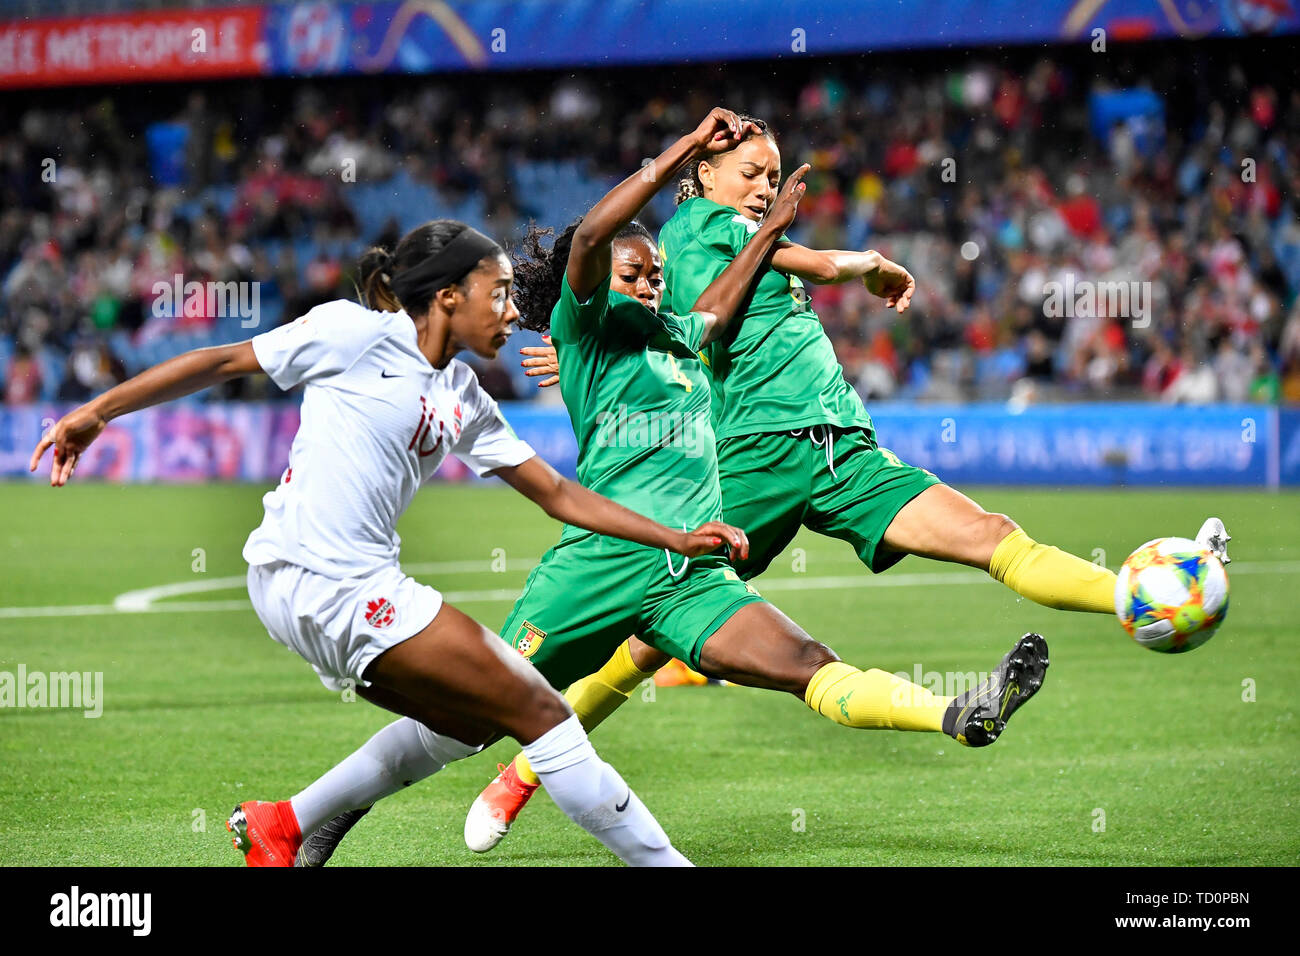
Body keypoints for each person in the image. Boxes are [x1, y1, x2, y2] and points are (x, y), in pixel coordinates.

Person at [454, 111, 1233, 853]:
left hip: (842, 454)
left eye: (773, 174)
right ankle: (521, 771)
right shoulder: (694, 230)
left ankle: (1138, 593)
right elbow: (760, 282)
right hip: (748, 461)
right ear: (702, 173)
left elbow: (727, 294)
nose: (766, 184)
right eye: (751, 171)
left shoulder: (736, 240)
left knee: (991, 535)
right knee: (642, 638)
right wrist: (851, 263)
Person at [292, 109, 1050, 867]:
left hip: (688, 576)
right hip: (595, 571)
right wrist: (684, 149)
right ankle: (329, 811)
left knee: (808, 663)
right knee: (466, 723)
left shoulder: (680, 335)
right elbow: (589, 239)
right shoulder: (582, 327)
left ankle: (956, 713)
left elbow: (718, 304)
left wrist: (766, 229)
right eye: (635, 274)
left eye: (656, 274)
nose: (651, 283)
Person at [30, 218, 760, 867]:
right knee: (542, 711)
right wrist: (99, 410)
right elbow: (224, 361)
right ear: (447, 295)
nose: (513, 310)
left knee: (473, 722)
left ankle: (282, 825)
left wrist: (676, 538)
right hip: (328, 581)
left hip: (321, 588)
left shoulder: (465, 395)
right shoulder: (351, 333)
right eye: (499, 292)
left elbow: (559, 496)